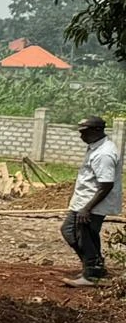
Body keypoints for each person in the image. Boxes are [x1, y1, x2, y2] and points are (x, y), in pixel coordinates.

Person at [59, 115, 120, 287]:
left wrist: (87, 208)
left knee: (85, 236)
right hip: (84, 201)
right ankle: (93, 267)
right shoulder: (96, 148)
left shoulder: (104, 153)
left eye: (84, 132)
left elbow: (106, 185)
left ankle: (92, 274)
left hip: (92, 204)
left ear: (97, 130)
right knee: (69, 231)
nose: (81, 136)